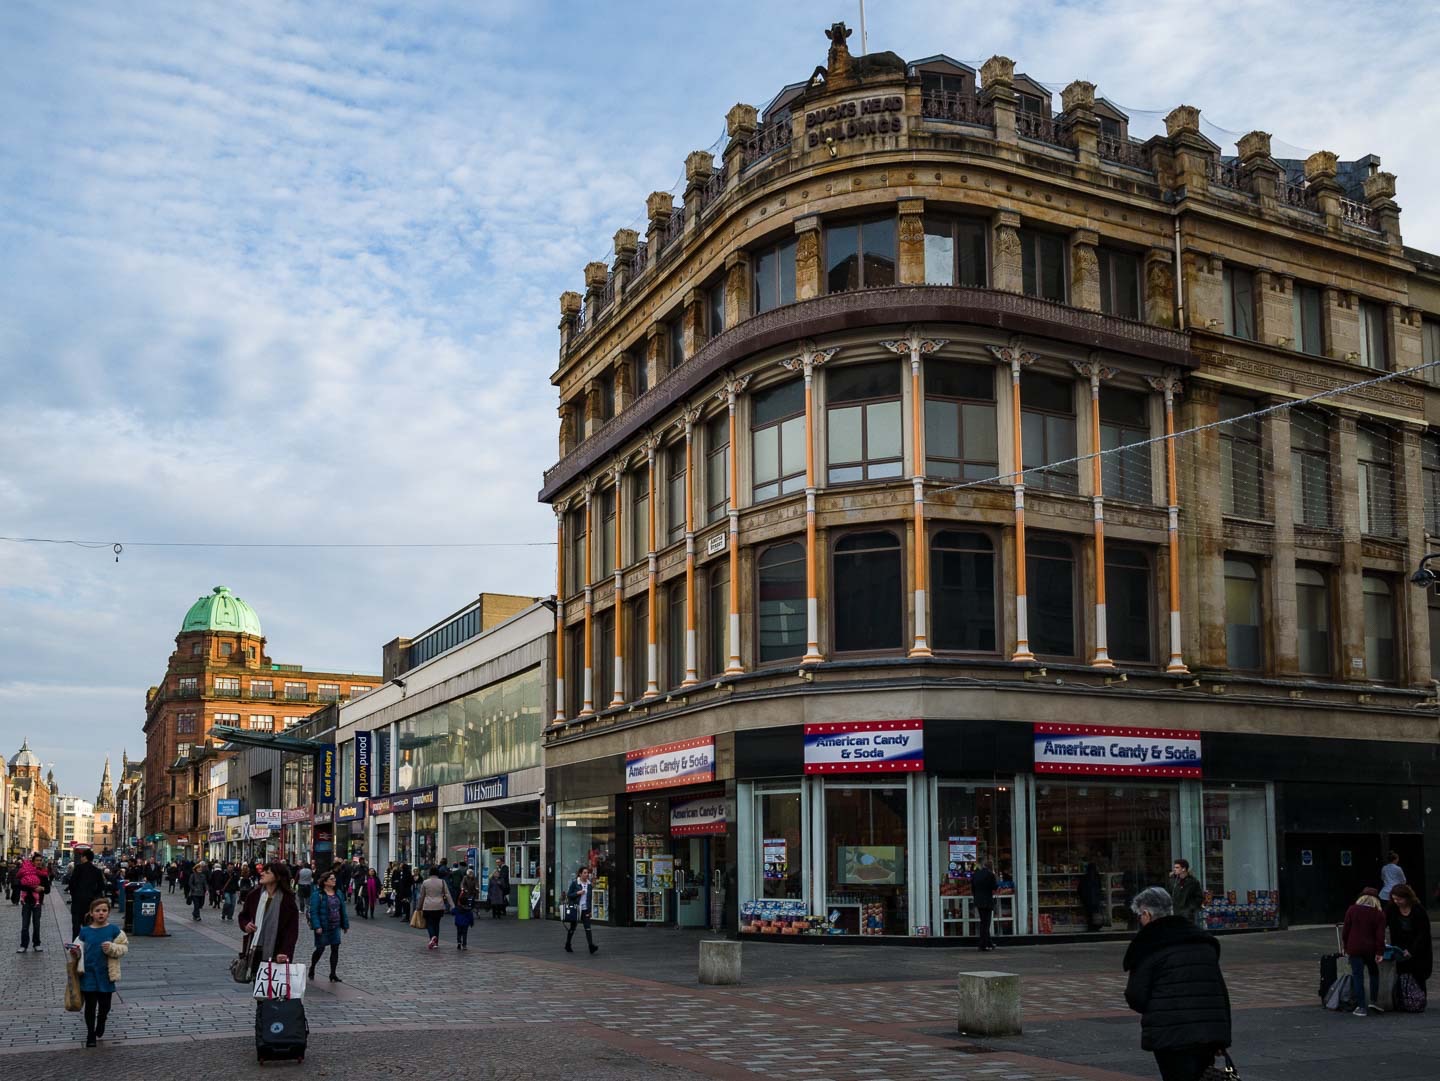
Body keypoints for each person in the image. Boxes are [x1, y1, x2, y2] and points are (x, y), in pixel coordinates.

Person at [1123, 886, 1231, 1081]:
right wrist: (1221, 1037)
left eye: (1139, 915)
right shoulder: (1202, 940)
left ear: (1147, 914)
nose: (1140, 920)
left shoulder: (1149, 945)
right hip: (1207, 1033)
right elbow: (1220, 992)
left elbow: (1136, 996)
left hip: (1170, 1034)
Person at [67, 897, 128, 1047]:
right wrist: (75, 951)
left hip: (106, 974)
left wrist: (112, 948)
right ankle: (90, 1034)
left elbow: (124, 948)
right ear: (91, 913)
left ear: (108, 912)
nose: (101, 913)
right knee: (90, 1006)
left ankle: (101, 1021)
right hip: (88, 974)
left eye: (104, 910)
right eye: (98, 911)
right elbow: (77, 947)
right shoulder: (85, 931)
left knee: (105, 1005)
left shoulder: (114, 930)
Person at [238, 862, 300, 983]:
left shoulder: (287, 900)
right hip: (256, 948)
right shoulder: (254, 895)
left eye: (267, 872)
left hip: (277, 950)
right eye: (263, 871)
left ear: (277, 877)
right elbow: (243, 916)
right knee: (259, 988)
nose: (262, 874)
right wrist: (246, 925)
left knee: (275, 990)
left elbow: (291, 931)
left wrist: (285, 952)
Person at [1342, 887, 1388, 1017]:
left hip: (1354, 948)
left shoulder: (1352, 910)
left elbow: (1346, 931)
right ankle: (1373, 1000)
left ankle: (1361, 1006)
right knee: (1374, 973)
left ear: (1361, 898)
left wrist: (1346, 947)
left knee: (1358, 976)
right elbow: (1380, 935)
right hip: (1371, 949)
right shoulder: (1379, 914)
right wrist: (1380, 952)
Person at [1386, 884, 1432, 998]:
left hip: (1418, 947)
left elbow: (1423, 933)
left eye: (1399, 899)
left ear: (1407, 897)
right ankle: (1403, 1000)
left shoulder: (1418, 910)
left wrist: (1412, 950)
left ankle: (1418, 999)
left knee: (1418, 974)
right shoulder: (1392, 909)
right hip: (1399, 946)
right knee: (1402, 974)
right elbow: (1382, 924)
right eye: (1394, 899)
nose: (1397, 901)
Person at [307, 870, 348, 983]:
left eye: (334, 879)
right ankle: (312, 967)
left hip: (335, 926)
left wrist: (345, 924)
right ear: (325, 882)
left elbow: (342, 910)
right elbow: (314, 911)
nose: (334, 880)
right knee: (320, 949)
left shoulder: (338, 893)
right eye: (331, 879)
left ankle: (333, 973)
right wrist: (317, 926)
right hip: (323, 926)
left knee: (335, 949)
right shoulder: (317, 894)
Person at [67, 849, 107, 942]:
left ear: (84, 857)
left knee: (76, 927)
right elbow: (101, 886)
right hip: (90, 903)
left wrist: (74, 895)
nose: (81, 858)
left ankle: (76, 945)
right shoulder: (97, 871)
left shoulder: (78, 868)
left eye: (82, 856)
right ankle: (88, 944)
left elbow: (72, 884)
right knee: (89, 925)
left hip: (77, 902)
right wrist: (93, 896)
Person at [16, 853, 50, 953]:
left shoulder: (43, 874)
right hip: (26, 902)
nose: (39, 862)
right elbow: (21, 885)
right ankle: (23, 945)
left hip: (37, 903)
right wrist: (34, 887)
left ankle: (36, 944)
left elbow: (47, 890)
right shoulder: (26, 872)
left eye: (40, 860)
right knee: (25, 925)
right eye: (37, 860)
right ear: (33, 861)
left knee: (36, 924)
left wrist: (42, 888)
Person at [416, 865, 454, 950]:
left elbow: (421, 896)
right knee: (437, 924)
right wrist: (452, 905)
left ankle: (432, 937)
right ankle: (436, 943)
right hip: (439, 906)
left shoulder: (425, 882)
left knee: (429, 923)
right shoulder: (442, 882)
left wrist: (419, 906)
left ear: (429, 873)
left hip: (428, 906)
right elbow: (447, 894)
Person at [564, 866, 599, 955]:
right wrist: (577, 893)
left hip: (585, 909)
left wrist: (590, 910)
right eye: (584, 873)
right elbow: (569, 895)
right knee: (573, 927)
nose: (586, 874)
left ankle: (591, 946)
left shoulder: (589, 884)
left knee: (588, 928)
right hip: (576, 908)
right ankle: (568, 944)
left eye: (587, 873)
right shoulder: (575, 883)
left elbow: (590, 898)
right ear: (580, 874)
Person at [970, 857, 998, 951]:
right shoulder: (990, 875)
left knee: (983, 922)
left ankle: (988, 942)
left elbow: (973, 888)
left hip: (978, 901)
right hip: (987, 901)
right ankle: (983, 944)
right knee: (986, 923)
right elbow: (995, 887)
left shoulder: (975, 874)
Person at [1166, 859, 1203, 927]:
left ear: (1183, 869)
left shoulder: (1193, 882)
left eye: (1177, 867)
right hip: (1174, 913)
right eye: (1174, 867)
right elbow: (1168, 895)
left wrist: (1190, 909)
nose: (1174, 869)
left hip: (1187, 915)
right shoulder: (1172, 881)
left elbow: (1199, 897)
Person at [1079, 862, 1106, 932]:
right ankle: (1096, 927)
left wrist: (1082, 898)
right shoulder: (1097, 877)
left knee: (1090, 915)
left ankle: (1091, 928)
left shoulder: (1085, 877)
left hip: (1088, 900)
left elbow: (1079, 889)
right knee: (1095, 914)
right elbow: (1099, 888)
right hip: (1094, 899)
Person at [455, 871, 478, 950]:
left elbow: (453, 912)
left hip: (471, 894)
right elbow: (462, 884)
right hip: (466, 894)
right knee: (464, 933)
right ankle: (463, 944)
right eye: (470, 874)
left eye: (472, 874)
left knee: (459, 932)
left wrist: (476, 888)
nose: (471, 875)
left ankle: (459, 942)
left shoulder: (458, 909)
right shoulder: (465, 878)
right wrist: (463, 889)